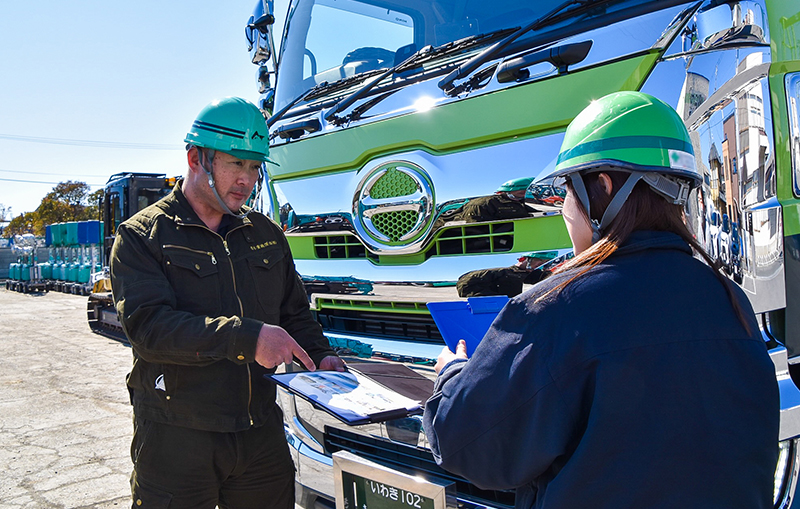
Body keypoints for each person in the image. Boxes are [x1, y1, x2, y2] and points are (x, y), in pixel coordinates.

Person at [422, 91, 779, 508]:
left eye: (566, 193)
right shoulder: (731, 299)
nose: (563, 211)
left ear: (602, 187)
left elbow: (467, 446)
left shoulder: (557, 307)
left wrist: (453, 376)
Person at [110, 97, 345, 509]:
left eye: (255, 167)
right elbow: (150, 329)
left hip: (260, 435)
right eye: (236, 163)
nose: (248, 179)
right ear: (196, 158)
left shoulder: (266, 233)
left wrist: (321, 357)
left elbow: (294, 313)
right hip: (177, 437)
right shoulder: (142, 236)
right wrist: (247, 338)